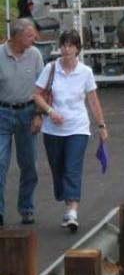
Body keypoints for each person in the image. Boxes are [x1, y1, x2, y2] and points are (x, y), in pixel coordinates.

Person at [31, 30, 107, 232]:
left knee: (72, 168)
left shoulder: (86, 72)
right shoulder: (51, 68)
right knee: (58, 170)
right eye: (64, 45)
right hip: (52, 130)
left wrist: (101, 126)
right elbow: (37, 95)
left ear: (77, 49)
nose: (66, 49)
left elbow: (93, 100)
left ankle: (72, 211)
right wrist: (49, 111)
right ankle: (65, 198)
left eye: (71, 46)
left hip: (77, 128)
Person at [0, 19, 43, 228]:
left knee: (29, 165)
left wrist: (39, 115)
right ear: (16, 37)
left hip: (28, 112)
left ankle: (26, 208)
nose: (34, 38)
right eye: (29, 35)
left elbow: (43, 88)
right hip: (3, 113)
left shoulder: (34, 55)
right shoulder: (0, 54)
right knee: (0, 163)